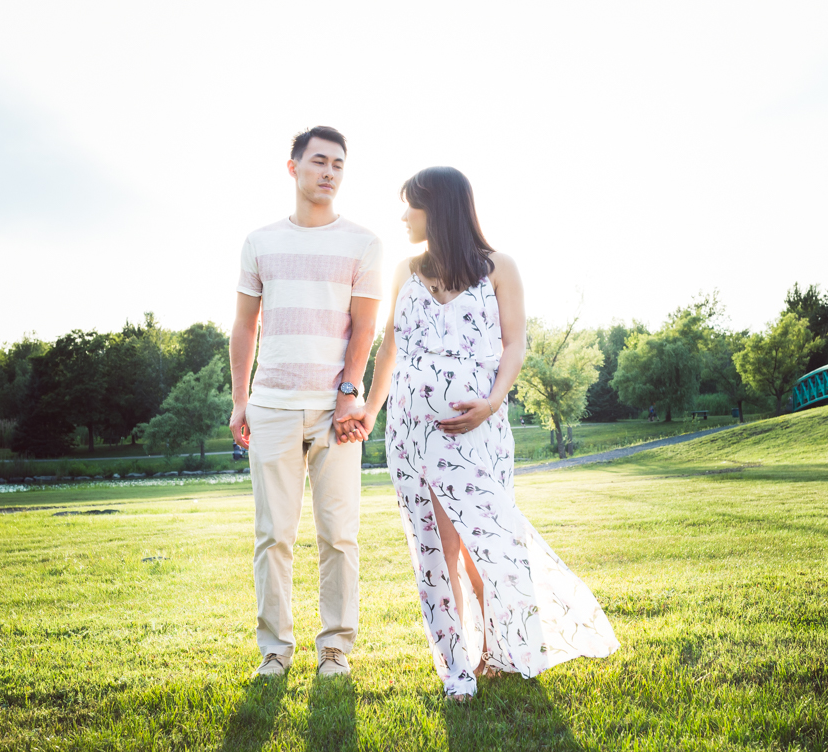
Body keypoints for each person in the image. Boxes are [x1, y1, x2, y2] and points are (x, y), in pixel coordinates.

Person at [339, 167, 618, 699]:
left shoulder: (499, 268)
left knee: (485, 544)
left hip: (477, 432)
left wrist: (492, 403)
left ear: (439, 208)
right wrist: (371, 410)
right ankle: (456, 669)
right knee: (436, 549)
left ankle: (500, 649)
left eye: (410, 206)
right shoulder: (403, 271)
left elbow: (515, 345)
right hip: (411, 431)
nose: (402, 217)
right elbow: (388, 349)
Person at [229, 126, 382, 679]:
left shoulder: (363, 242)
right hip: (269, 406)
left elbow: (365, 326)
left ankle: (335, 647)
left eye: (339, 164)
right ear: (292, 168)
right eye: (319, 161)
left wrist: (348, 393)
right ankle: (275, 648)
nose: (330, 172)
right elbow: (245, 326)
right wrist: (239, 401)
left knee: (339, 534)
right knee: (274, 534)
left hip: (334, 411)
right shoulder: (259, 241)